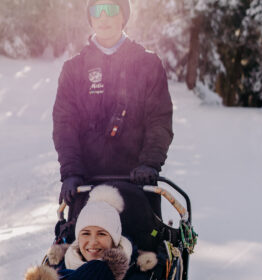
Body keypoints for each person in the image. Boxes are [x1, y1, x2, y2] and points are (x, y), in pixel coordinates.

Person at [52, 0, 173, 249]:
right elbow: (65, 125)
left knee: (140, 257)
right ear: (90, 17)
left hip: (137, 185)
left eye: (111, 9)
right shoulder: (74, 69)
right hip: (86, 185)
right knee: (82, 256)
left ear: (123, 16)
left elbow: (159, 119)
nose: (104, 16)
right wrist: (71, 172)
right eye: (97, 10)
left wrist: (149, 163)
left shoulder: (147, 64)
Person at [48, 184, 157, 273]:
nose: (93, 242)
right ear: (78, 237)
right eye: (86, 233)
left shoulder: (132, 273)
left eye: (101, 234)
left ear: (115, 240)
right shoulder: (61, 267)